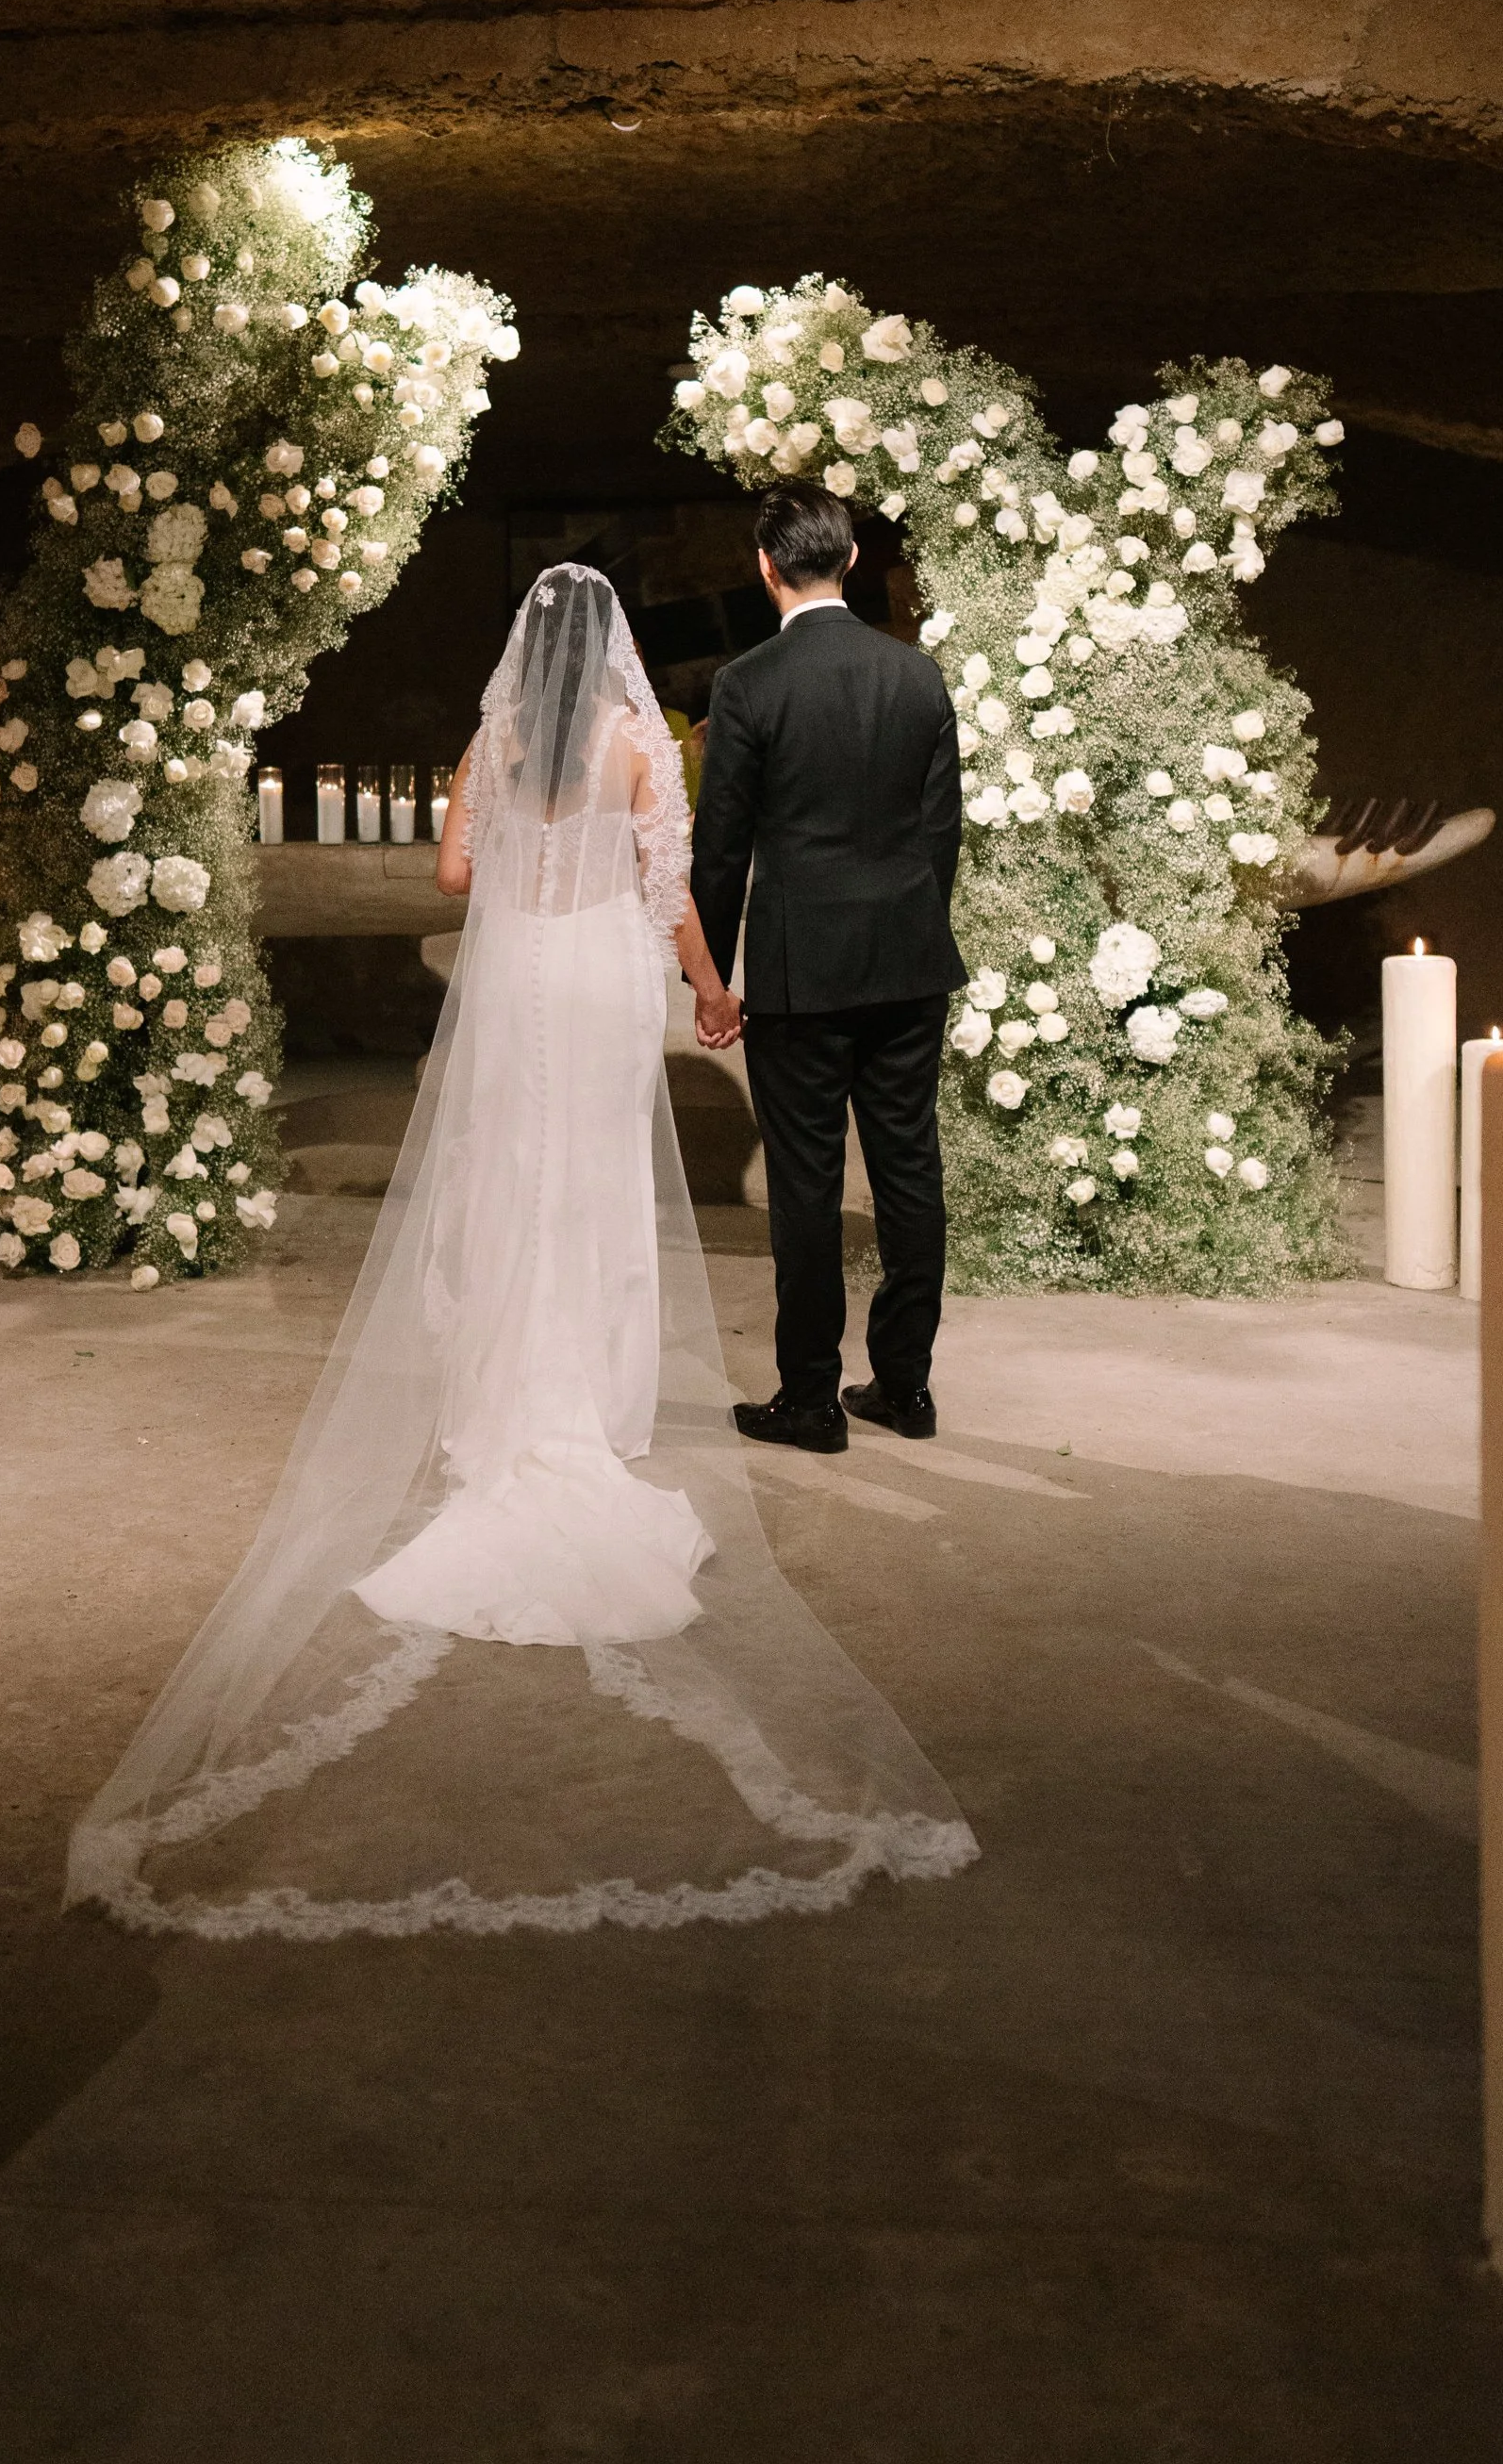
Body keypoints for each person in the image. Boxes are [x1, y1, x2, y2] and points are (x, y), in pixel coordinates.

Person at [67, 563, 975, 1943]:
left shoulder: (488, 746)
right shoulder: (630, 744)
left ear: (517, 653)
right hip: (603, 976)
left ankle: (505, 1407)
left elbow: (451, 875)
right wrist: (716, 990)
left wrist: (515, 866)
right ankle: (587, 1412)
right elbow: (671, 889)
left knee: (507, 1179)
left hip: (516, 977)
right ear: (607, 644)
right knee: (597, 1189)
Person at [690, 482, 966, 1455]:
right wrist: (904, 927)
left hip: (800, 968)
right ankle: (905, 1386)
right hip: (907, 960)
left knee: (805, 1188)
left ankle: (808, 1400)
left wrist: (710, 979)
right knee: (909, 1172)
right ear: (848, 560)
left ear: (765, 566)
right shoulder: (918, 677)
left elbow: (720, 847)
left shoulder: (749, 683)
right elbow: (940, 838)